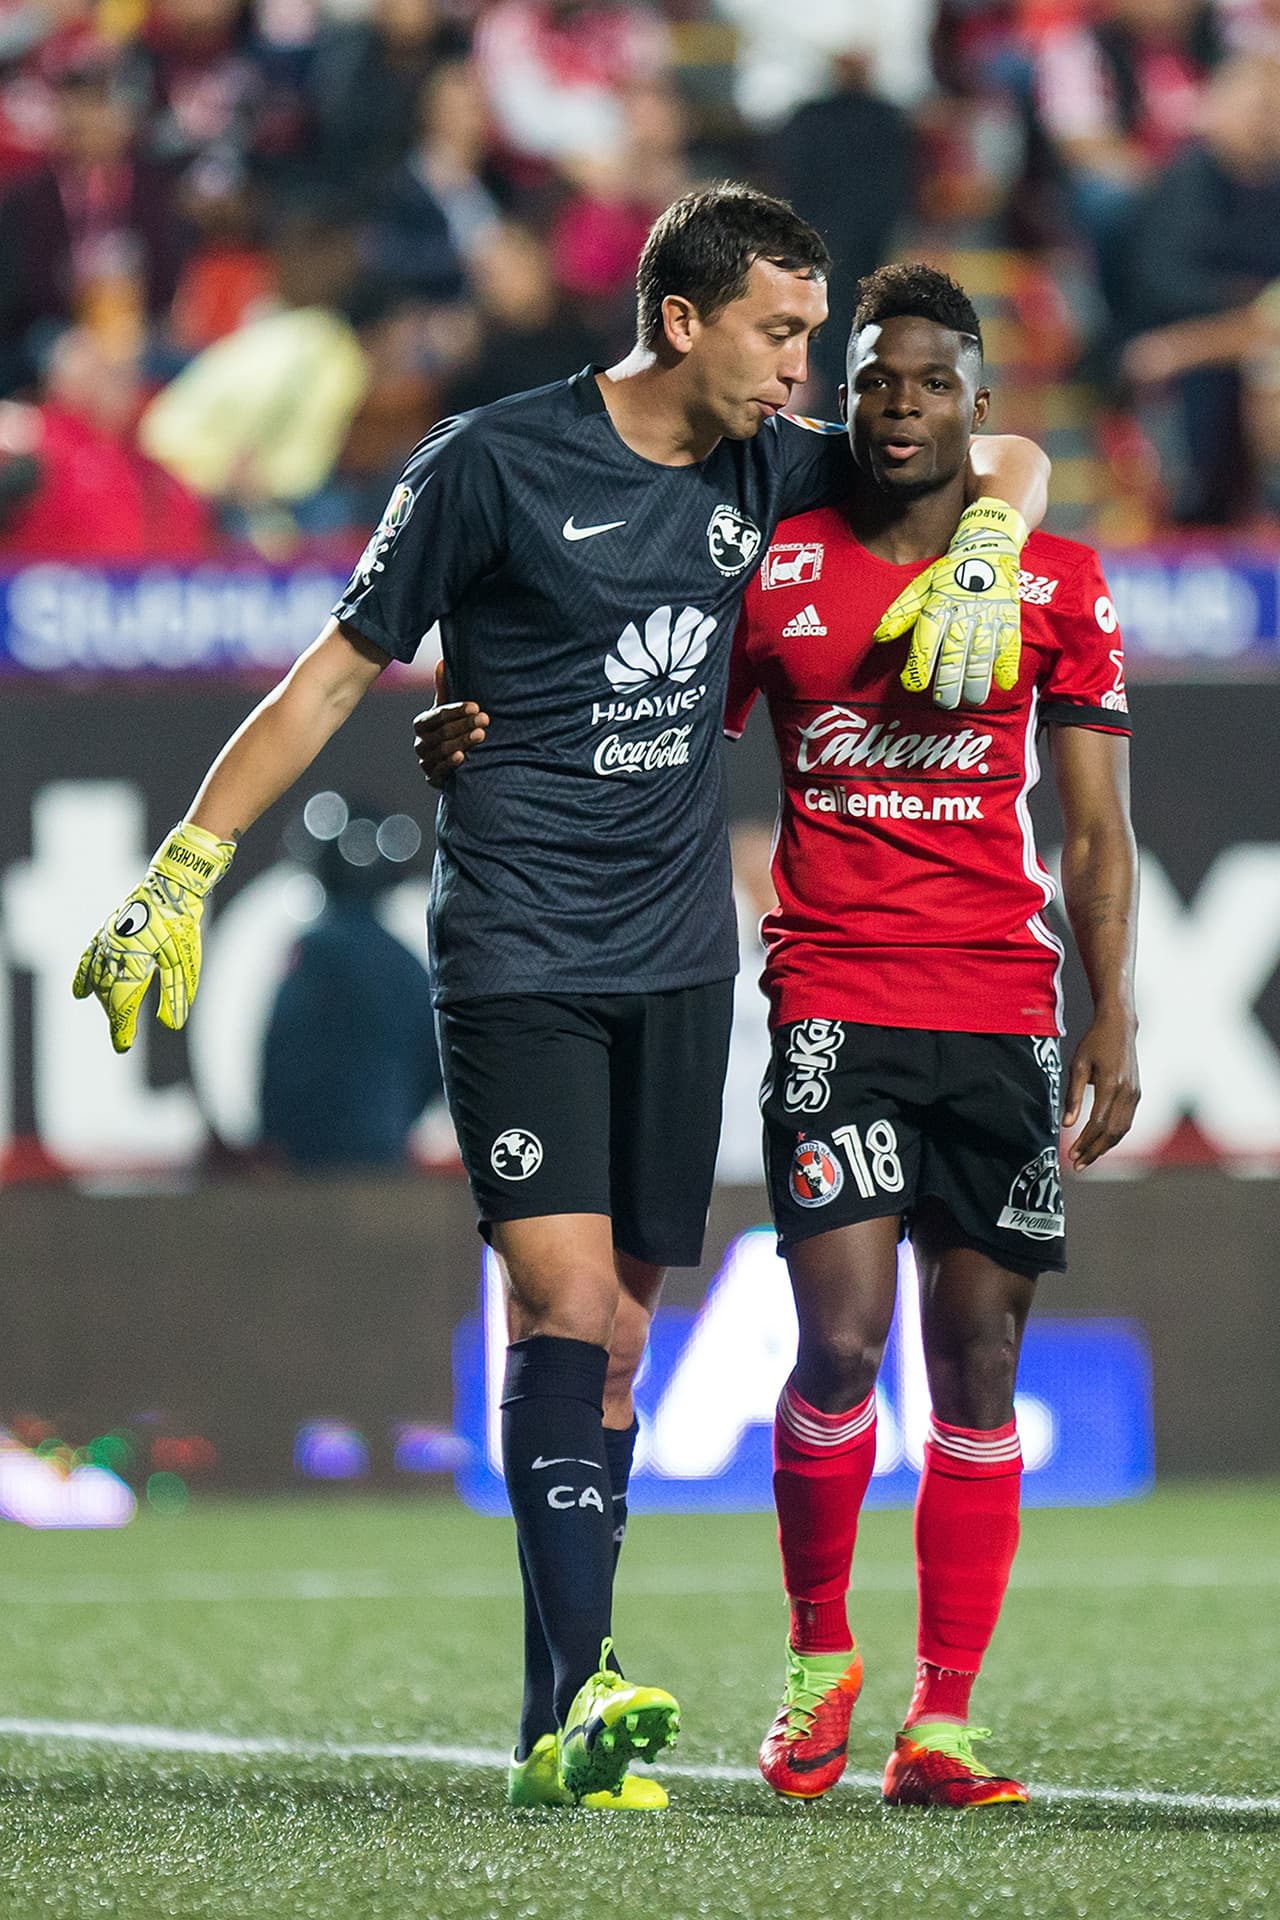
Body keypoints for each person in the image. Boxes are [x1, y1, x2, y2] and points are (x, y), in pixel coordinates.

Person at [73, 182, 1049, 1812]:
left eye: (816, 337)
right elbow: (336, 670)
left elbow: (989, 455)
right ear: (682, 320)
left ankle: (555, 1725)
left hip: (677, 960)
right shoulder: (490, 462)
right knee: (567, 1302)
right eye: (782, 332)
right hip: (521, 945)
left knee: (613, 1359)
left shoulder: (774, 453)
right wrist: (188, 859)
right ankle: (590, 1686)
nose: (811, 371)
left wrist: (996, 539)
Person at [719, 263, 1139, 1809]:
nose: (895, 406)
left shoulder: (1056, 583)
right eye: (869, 384)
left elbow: (1095, 839)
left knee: (979, 1359)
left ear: (980, 407)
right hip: (835, 994)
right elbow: (662, 747)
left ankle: (942, 1720)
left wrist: (1115, 1013)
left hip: (1002, 1010)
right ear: (847, 407)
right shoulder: (779, 573)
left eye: (926, 384)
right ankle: (819, 1660)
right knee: (836, 1341)